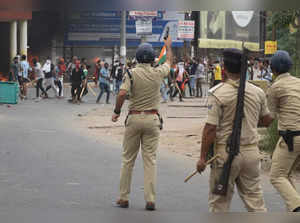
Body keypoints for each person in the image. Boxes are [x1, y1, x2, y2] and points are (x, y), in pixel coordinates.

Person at [196, 48, 273, 212]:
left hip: (226, 155)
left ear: (224, 68)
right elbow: (266, 120)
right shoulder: (258, 92)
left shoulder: (217, 93)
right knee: (256, 204)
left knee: (219, 204)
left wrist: (202, 158)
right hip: (252, 154)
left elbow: (210, 129)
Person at [111, 36, 173, 211]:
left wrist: (116, 112)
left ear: (137, 58)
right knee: (150, 161)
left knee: (128, 160)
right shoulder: (158, 72)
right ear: (153, 58)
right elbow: (169, 61)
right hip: (153, 120)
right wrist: (168, 47)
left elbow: (122, 94)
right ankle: (150, 199)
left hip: (134, 118)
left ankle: (123, 198)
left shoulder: (131, 73)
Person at [267, 50, 300, 212]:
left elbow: (269, 118)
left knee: (276, 176)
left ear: (272, 69)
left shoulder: (276, 87)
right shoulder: (298, 82)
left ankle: (297, 208)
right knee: (286, 175)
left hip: (291, 138)